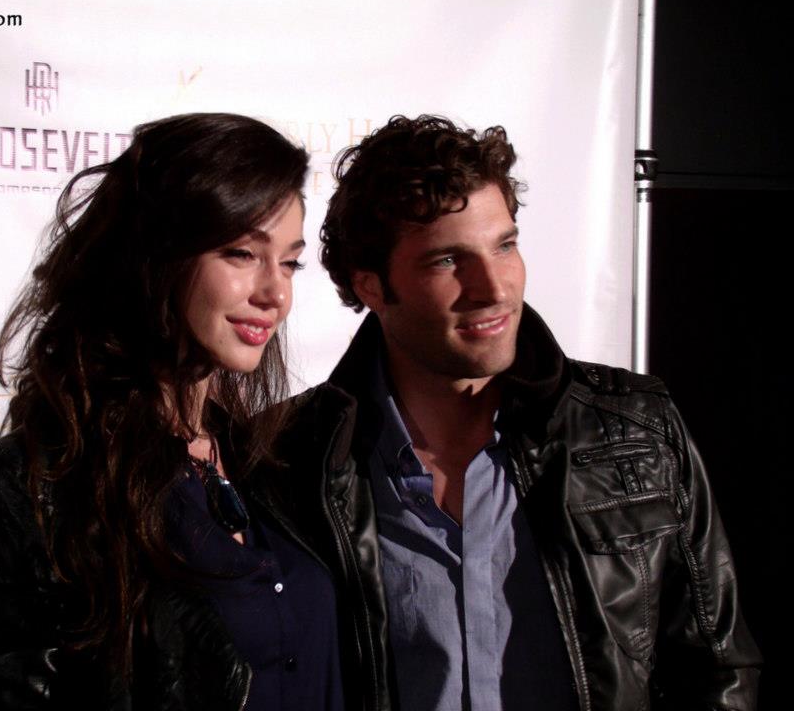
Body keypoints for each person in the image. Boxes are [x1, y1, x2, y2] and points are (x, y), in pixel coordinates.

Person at [266, 115, 761, 710]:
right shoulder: (292, 458)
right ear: (370, 286)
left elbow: (717, 668)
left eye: (504, 245)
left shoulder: (635, 428)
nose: (494, 286)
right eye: (448, 261)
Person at [0, 113, 346, 710]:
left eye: (289, 262)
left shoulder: (279, 461)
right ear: (156, 257)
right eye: (241, 253)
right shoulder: (32, 489)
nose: (276, 293)